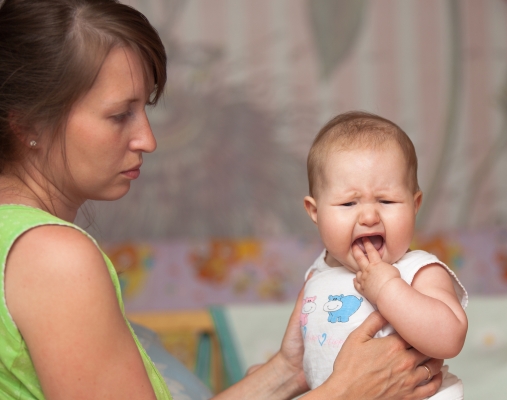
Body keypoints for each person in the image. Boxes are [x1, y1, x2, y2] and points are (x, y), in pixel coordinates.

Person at [0, 0, 445, 399]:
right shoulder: (54, 258)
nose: (147, 139)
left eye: (146, 110)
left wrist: (287, 371)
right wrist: (345, 393)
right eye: (119, 115)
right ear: (29, 126)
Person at [301, 111, 469, 399]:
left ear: (414, 205)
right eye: (348, 203)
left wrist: (387, 288)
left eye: (386, 200)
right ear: (315, 212)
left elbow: (450, 337)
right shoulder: (317, 274)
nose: (368, 216)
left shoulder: (419, 269)